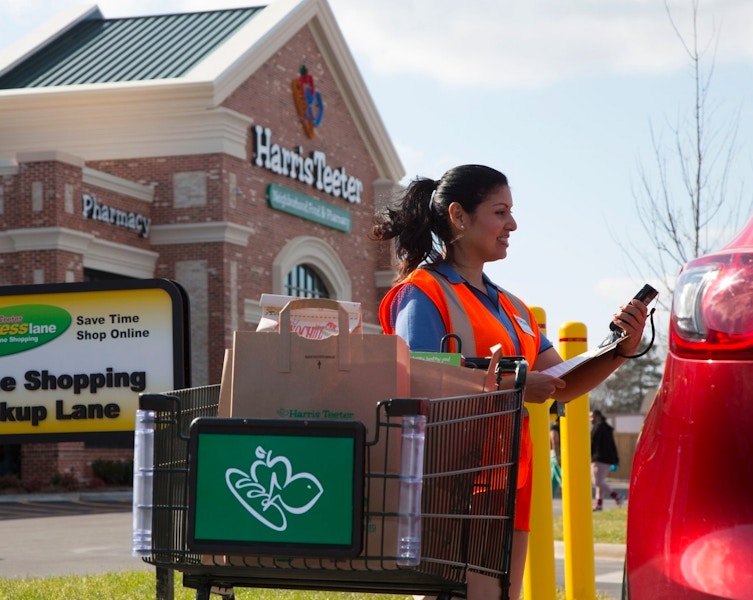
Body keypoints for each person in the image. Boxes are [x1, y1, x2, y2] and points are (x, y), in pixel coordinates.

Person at [371, 164, 648, 600]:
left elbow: (562, 383)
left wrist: (620, 348)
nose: (512, 225)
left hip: (508, 482)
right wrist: (516, 386)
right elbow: (412, 382)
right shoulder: (422, 293)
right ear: (459, 216)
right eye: (500, 212)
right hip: (448, 481)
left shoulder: (513, 307)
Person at [590, 409, 623, 511]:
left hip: (599, 458)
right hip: (608, 459)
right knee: (600, 481)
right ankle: (599, 504)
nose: (591, 419)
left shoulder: (598, 427)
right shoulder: (607, 428)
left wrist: (589, 455)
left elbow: (593, 442)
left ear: (598, 416)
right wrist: (616, 459)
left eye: (592, 417)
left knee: (597, 481)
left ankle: (617, 496)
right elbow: (612, 445)